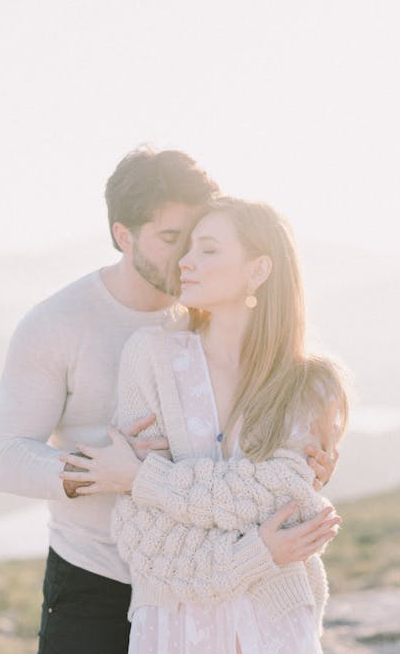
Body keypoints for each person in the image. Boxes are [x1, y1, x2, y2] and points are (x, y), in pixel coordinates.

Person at [0, 148, 338, 654]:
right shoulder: (58, 324)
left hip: (229, 580)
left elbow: (267, 448)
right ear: (123, 236)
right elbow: (4, 457)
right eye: (172, 240)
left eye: (198, 241)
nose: (185, 259)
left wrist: (306, 465)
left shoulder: (215, 306)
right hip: (97, 574)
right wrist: (101, 472)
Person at [61, 197, 348, 653]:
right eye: (188, 248)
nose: (186, 263)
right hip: (173, 627)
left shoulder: (310, 386)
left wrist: (143, 478)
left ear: (258, 270)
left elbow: (287, 503)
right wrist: (258, 553)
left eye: (208, 250)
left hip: (277, 628)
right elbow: (145, 539)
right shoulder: (151, 359)